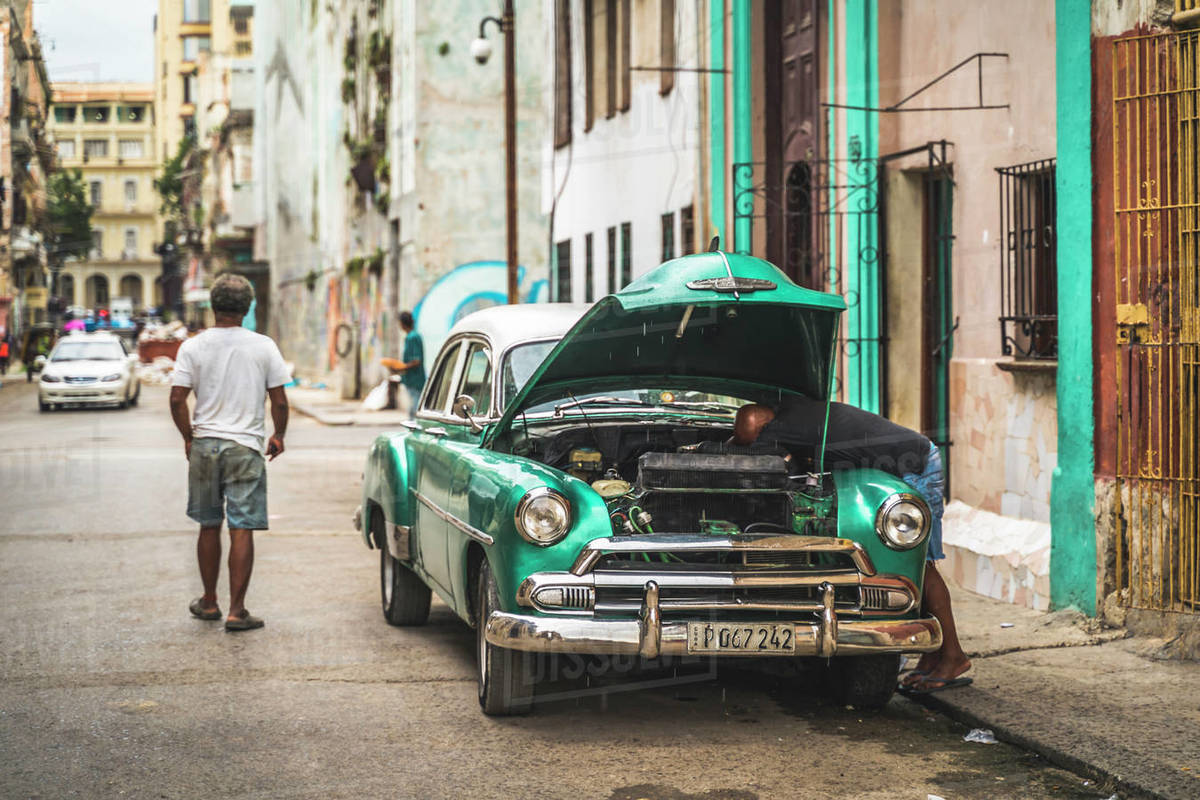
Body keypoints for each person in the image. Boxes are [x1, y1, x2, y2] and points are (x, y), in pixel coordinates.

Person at [732, 398, 971, 694]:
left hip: (916, 465)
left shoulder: (782, 428)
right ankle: (931, 655)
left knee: (919, 566)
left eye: (752, 436)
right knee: (917, 566)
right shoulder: (795, 412)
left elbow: (758, 461)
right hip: (906, 460)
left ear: (764, 426)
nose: (757, 441)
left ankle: (954, 656)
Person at [169, 274, 291, 633]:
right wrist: (279, 435)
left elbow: (177, 399)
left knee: (209, 525)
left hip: (206, 445)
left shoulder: (193, 346)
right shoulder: (263, 346)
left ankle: (209, 602)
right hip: (245, 447)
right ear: (248, 308)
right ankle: (237, 611)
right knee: (242, 528)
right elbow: (280, 400)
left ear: (212, 305)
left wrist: (189, 438)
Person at [395, 311, 426, 415]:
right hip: (412, 380)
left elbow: (416, 361)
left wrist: (401, 367)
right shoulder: (412, 337)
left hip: (415, 380)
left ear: (403, 324)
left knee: (414, 409)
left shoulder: (412, 338)